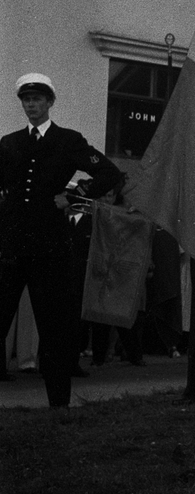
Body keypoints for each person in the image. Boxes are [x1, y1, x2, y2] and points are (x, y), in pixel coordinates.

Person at [0, 73, 122, 406]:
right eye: (26, 100)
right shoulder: (9, 143)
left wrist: (73, 196)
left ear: (50, 102)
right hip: (11, 248)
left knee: (53, 329)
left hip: (49, 248)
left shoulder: (68, 140)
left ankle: (58, 405)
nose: (31, 105)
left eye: (37, 99)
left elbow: (109, 173)